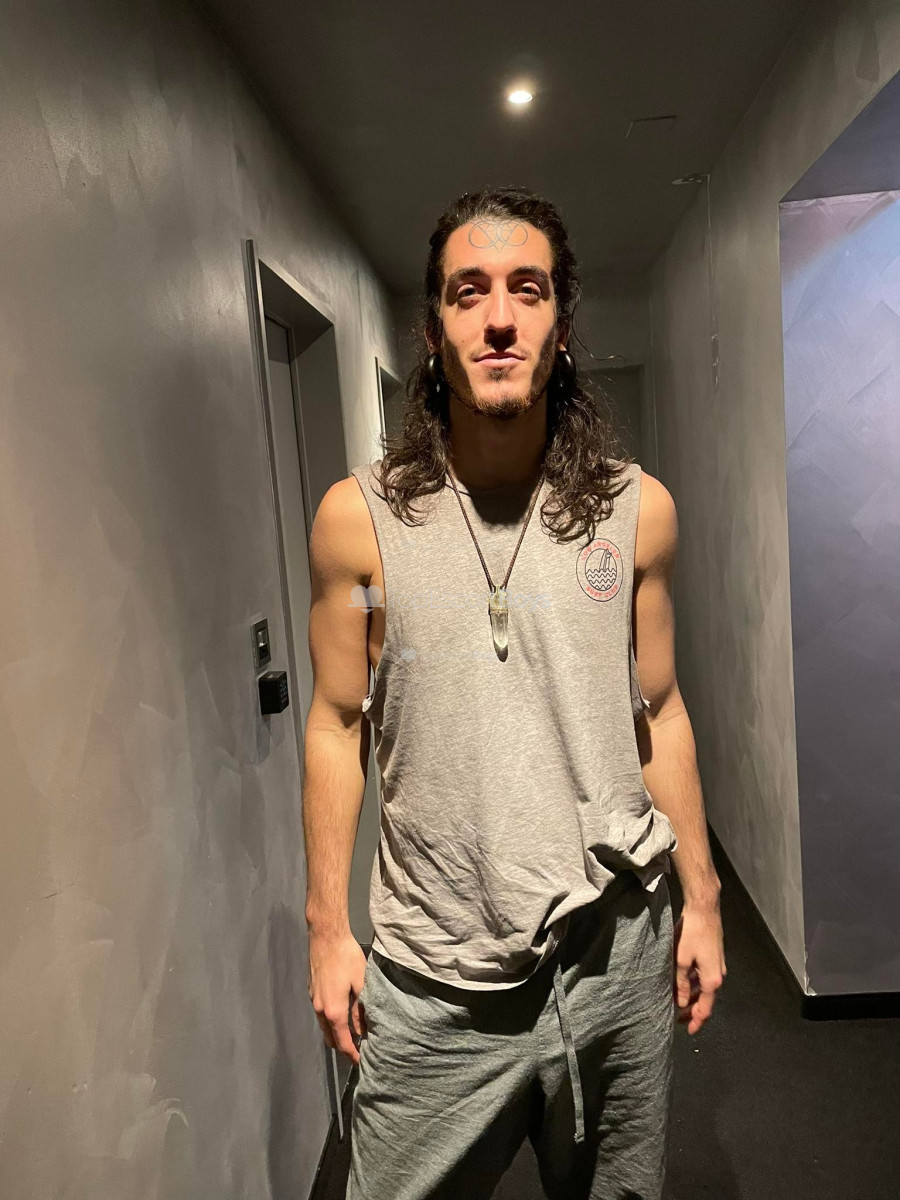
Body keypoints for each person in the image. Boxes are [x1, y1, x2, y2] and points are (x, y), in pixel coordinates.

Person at [303, 185, 726, 1200]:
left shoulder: (636, 512)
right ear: (433, 333)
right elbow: (335, 722)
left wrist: (704, 901)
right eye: (469, 292)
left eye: (527, 290)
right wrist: (326, 927)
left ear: (561, 328)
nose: (499, 317)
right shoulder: (360, 523)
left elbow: (661, 711)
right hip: (433, 978)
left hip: (613, 959)